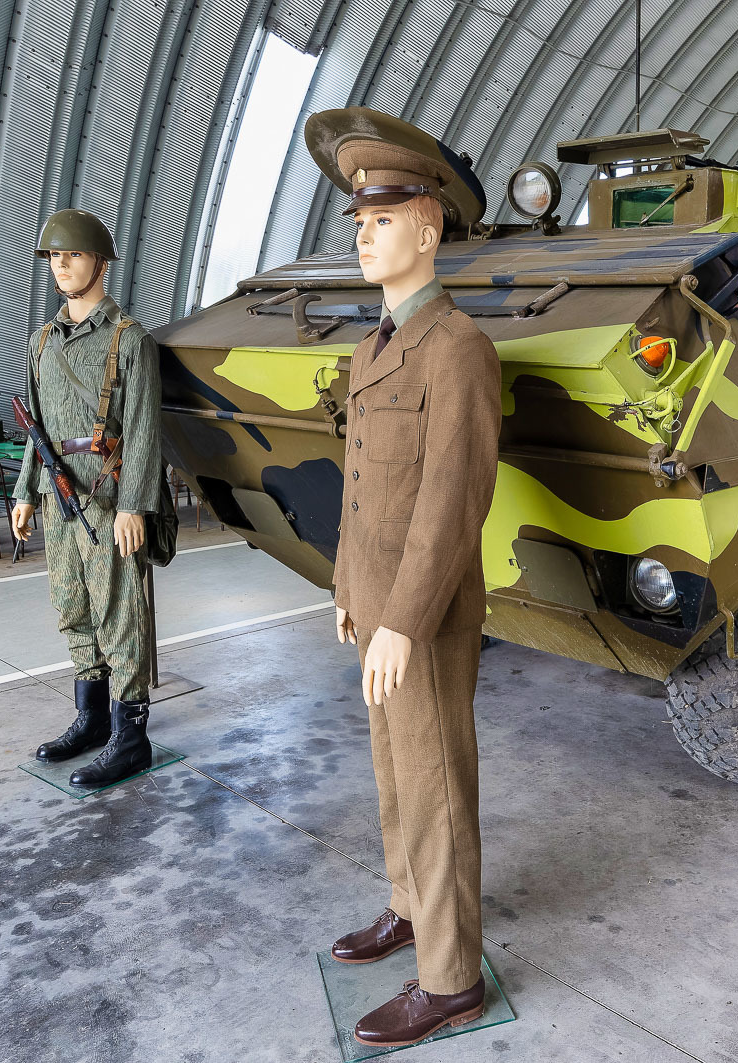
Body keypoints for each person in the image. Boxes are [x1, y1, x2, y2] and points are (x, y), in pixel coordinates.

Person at [305, 108, 501, 1049]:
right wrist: (350, 590)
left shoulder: (456, 348)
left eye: (381, 219)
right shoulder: (373, 347)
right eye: (359, 219)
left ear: (426, 230)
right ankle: (409, 905)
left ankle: (451, 978)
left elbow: (451, 503)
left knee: (435, 784)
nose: (363, 233)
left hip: (422, 613)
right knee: (393, 773)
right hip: (375, 604)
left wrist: (404, 620)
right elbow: (361, 487)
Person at [10, 208, 163, 790]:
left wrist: (133, 505)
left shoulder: (131, 341)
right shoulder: (41, 342)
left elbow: (144, 431)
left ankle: (131, 736)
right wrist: (26, 492)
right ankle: (93, 719)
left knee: (118, 612)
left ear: (100, 262)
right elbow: (37, 430)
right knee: (72, 607)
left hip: (107, 496)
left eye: (72, 254)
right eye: (54, 256)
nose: (61, 265)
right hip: (58, 497)